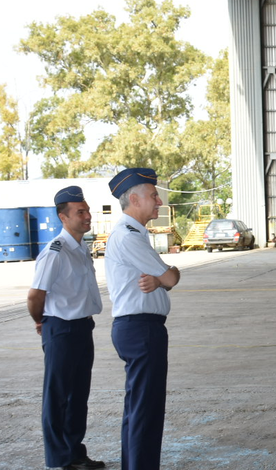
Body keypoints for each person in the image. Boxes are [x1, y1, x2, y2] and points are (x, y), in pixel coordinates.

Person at [104, 168, 181, 470]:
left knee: (139, 409)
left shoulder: (135, 235)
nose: (159, 201)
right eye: (153, 195)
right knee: (145, 412)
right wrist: (163, 279)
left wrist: (162, 279)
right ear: (134, 200)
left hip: (139, 329)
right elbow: (171, 278)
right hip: (141, 329)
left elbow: (169, 277)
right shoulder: (129, 237)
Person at [27, 186, 105, 470]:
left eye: (87, 211)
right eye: (80, 212)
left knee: (78, 396)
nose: (88, 216)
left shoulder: (80, 248)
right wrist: (40, 321)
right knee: (58, 396)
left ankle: (75, 453)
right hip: (61, 329)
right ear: (63, 217)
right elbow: (35, 296)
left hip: (82, 328)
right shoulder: (55, 252)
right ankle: (60, 458)